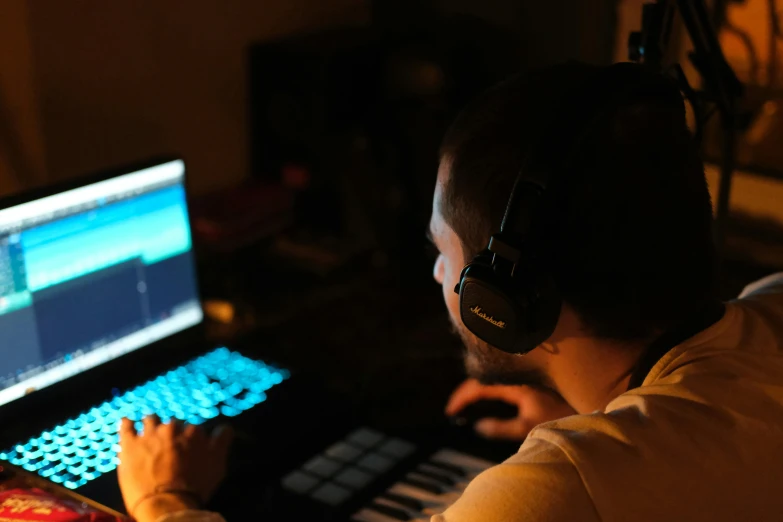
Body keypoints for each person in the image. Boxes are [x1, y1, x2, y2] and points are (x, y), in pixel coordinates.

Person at [116, 62, 783, 522]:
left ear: (508, 301)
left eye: (445, 255)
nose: (436, 274)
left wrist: (164, 499)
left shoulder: (558, 492)